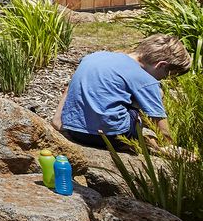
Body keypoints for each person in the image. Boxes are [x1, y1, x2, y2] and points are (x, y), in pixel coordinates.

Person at [52, 34, 191, 149]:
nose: (164, 79)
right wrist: (169, 145)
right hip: (111, 137)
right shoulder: (146, 79)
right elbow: (158, 119)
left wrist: (57, 120)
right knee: (157, 93)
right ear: (161, 65)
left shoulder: (95, 56)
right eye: (167, 76)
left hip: (75, 130)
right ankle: (150, 145)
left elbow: (69, 88)